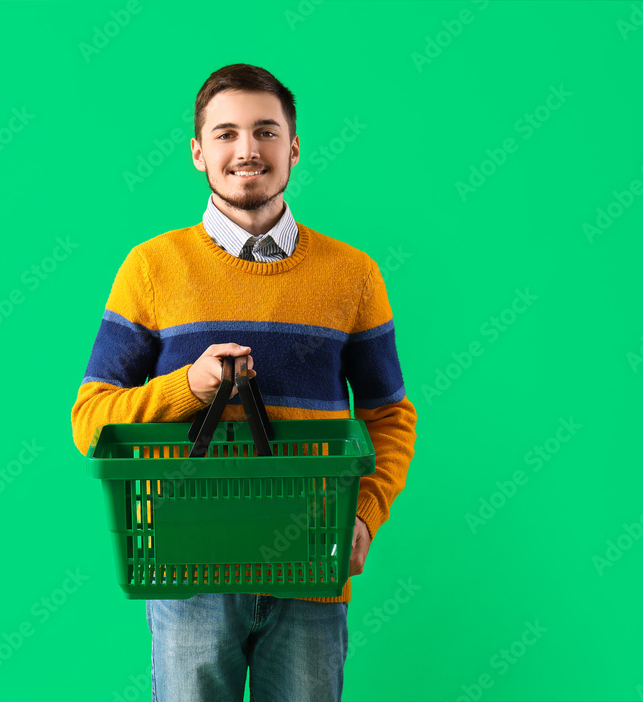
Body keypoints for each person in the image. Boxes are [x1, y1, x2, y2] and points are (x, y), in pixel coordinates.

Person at [71, 63, 417, 702]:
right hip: (188, 570)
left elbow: (389, 415)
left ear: (292, 147)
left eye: (265, 131)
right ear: (198, 151)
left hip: (311, 570)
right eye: (226, 133)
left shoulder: (354, 275)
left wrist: (366, 514)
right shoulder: (151, 268)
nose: (247, 149)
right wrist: (188, 388)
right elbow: (91, 420)